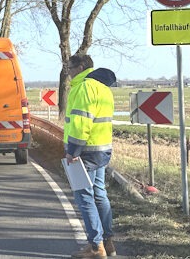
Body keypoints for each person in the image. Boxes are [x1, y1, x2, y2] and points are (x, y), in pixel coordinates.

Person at [63, 54, 117, 258]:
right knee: (99, 193)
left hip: (84, 151)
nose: (67, 72)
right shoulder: (103, 87)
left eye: (70, 67)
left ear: (81, 66)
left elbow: (81, 122)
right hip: (101, 149)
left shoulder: (84, 87)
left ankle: (96, 247)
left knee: (84, 197)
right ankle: (108, 242)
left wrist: (73, 151)